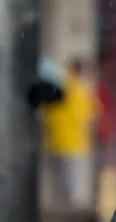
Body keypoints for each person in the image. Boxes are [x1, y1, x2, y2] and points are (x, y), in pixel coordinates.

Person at [42, 58, 100, 211]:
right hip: (76, 144)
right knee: (74, 189)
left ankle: (58, 212)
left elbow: (46, 114)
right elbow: (93, 117)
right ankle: (71, 215)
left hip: (56, 142)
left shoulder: (59, 86)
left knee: (58, 186)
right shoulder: (84, 90)